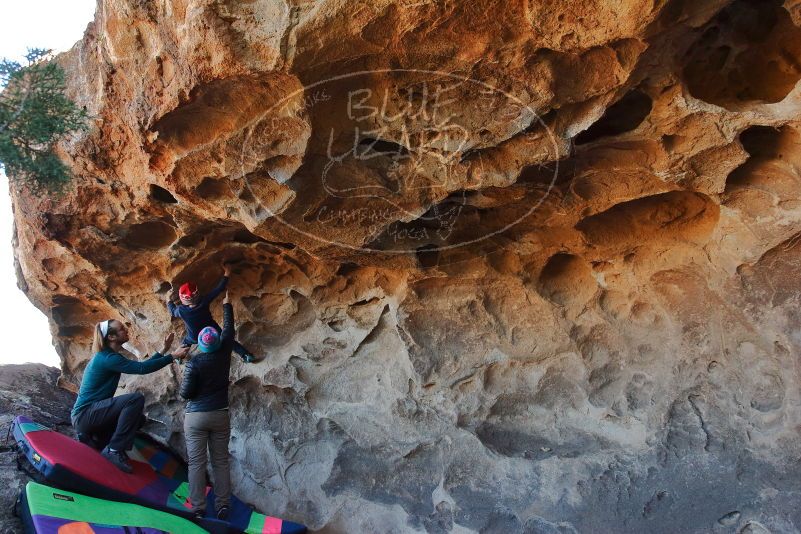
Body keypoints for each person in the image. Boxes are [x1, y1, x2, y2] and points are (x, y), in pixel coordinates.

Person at [71, 320, 189, 473]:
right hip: (85, 416)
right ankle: (114, 450)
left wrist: (163, 350)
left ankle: (97, 439)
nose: (126, 330)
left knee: (138, 420)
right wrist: (172, 356)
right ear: (112, 337)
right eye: (121, 329)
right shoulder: (107, 358)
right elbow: (141, 368)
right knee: (134, 399)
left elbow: (141, 366)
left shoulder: (108, 356)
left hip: (91, 417)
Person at [180, 291, 236, 520]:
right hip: (219, 414)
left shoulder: (194, 363)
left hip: (196, 417)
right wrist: (226, 304)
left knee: (196, 463)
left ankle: (198, 508)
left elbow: (186, 394)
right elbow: (229, 329)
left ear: (201, 345)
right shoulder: (224, 354)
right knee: (221, 461)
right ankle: (223, 505)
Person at [168, 263, 255, 363]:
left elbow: (172, 311)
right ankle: (246, 355)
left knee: (185, 342)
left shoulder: (181, 310)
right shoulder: (204, 301)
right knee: (227, 338)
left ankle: (179, 357)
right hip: (212, 331)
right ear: (198, 294)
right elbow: (218, 289)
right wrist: (227, 273)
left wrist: (168, 300)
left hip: (194, 336)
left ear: (183, 300)